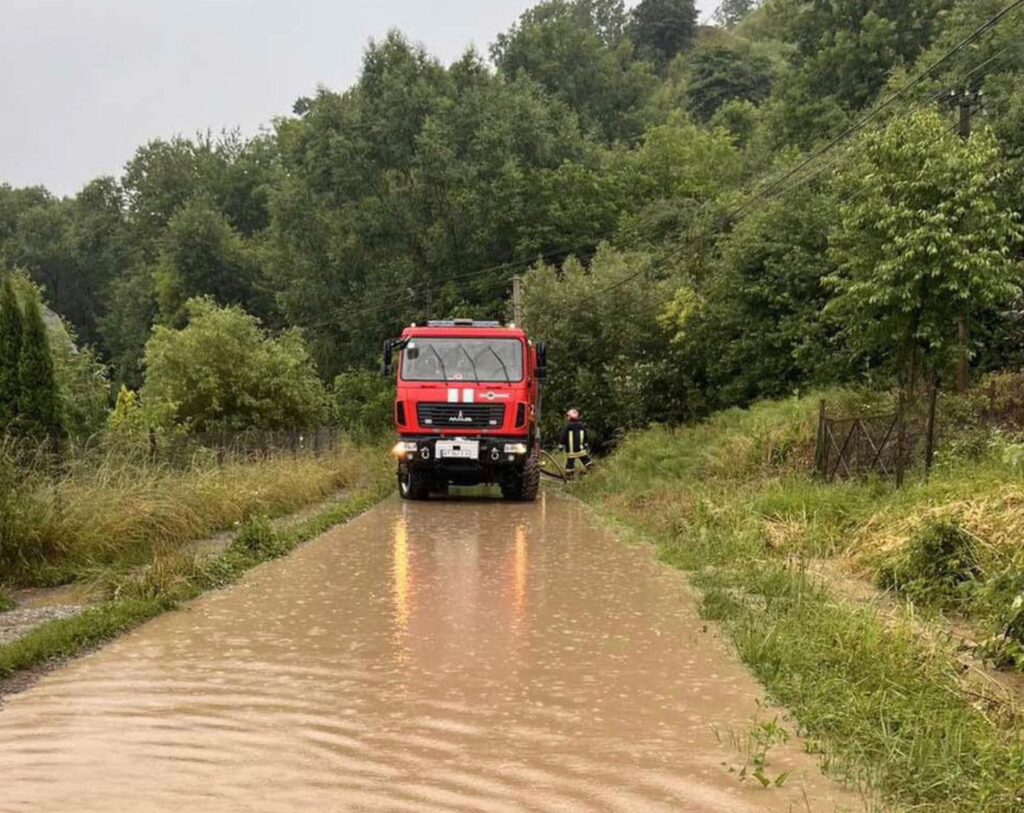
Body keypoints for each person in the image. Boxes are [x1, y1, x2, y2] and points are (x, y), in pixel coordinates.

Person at [560, 408, 592, 480]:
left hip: (571, 452)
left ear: (570, 417)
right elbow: (585, 436)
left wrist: (561, 445)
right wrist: (586, 444)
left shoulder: (568, 427)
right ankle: (593, 471)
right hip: (581, 450)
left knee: (570, 464)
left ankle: (569, 477)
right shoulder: (582, 426)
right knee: (586, 460)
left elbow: (563, 436)